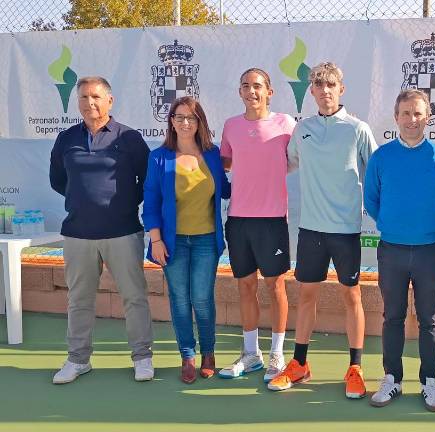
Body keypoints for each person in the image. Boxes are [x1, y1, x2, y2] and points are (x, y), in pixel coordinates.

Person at [268, 62, 377, 399]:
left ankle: (355, 368)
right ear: (311, 91)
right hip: (311, 229)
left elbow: (375, 173)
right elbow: (287, 163)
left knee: (352, 295)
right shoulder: (303, 130)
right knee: (307, 295)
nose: (325, 91)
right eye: (319, 85)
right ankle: (299, 364)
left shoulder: (358, 129)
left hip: (346, 231)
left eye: (331, 85)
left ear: (341, 89)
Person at [49, 76, 153, 384]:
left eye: (95, 97)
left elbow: (147, 182)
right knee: (79, 299)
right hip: (78, 233)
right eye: (83, 97)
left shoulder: (130, 138)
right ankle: (78, 360)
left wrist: (121, 205)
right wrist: (85, 201)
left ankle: (142, 357)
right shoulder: (66, 138)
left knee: (134, 297)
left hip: (122, 232)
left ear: (110, 100)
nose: (89, 103)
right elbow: (58, 181)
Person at [364, 89, 435, 411]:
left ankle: (429, 381)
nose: (411, 120)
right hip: (390, 248)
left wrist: (426, 224)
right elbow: (372, 201)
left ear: (428, 117)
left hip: (429, 250)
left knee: (428, 318)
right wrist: (394, 224)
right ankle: (392, 379)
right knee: (393, 316)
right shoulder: (381, 157)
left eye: (418, 113)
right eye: (405, 113)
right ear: (396, 118)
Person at [142, 96, 231, 384]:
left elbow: (227, 191)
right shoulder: (159, 157)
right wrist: (156, 240)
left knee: (202, 299)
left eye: (191, 118)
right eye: (179, 117)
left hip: (206, 240)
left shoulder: (213, 154)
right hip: (172, 242)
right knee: (180, 300)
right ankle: (187, 356)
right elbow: (151, 202)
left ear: (199, 122)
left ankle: (208, 353)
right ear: (171, 121)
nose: (184, 122)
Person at [217, 68, 295, 382]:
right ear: (240, 92)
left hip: (273, 219)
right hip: (238, 220)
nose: (252, 91)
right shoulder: (231, 126)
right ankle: (251, 354)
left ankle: (277, 353)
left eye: (258, 86)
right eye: (246, 85)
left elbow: (295, 159)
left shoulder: (286, 124)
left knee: (275, 286)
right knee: (245, 286)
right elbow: (223, 163)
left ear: (269, 92)